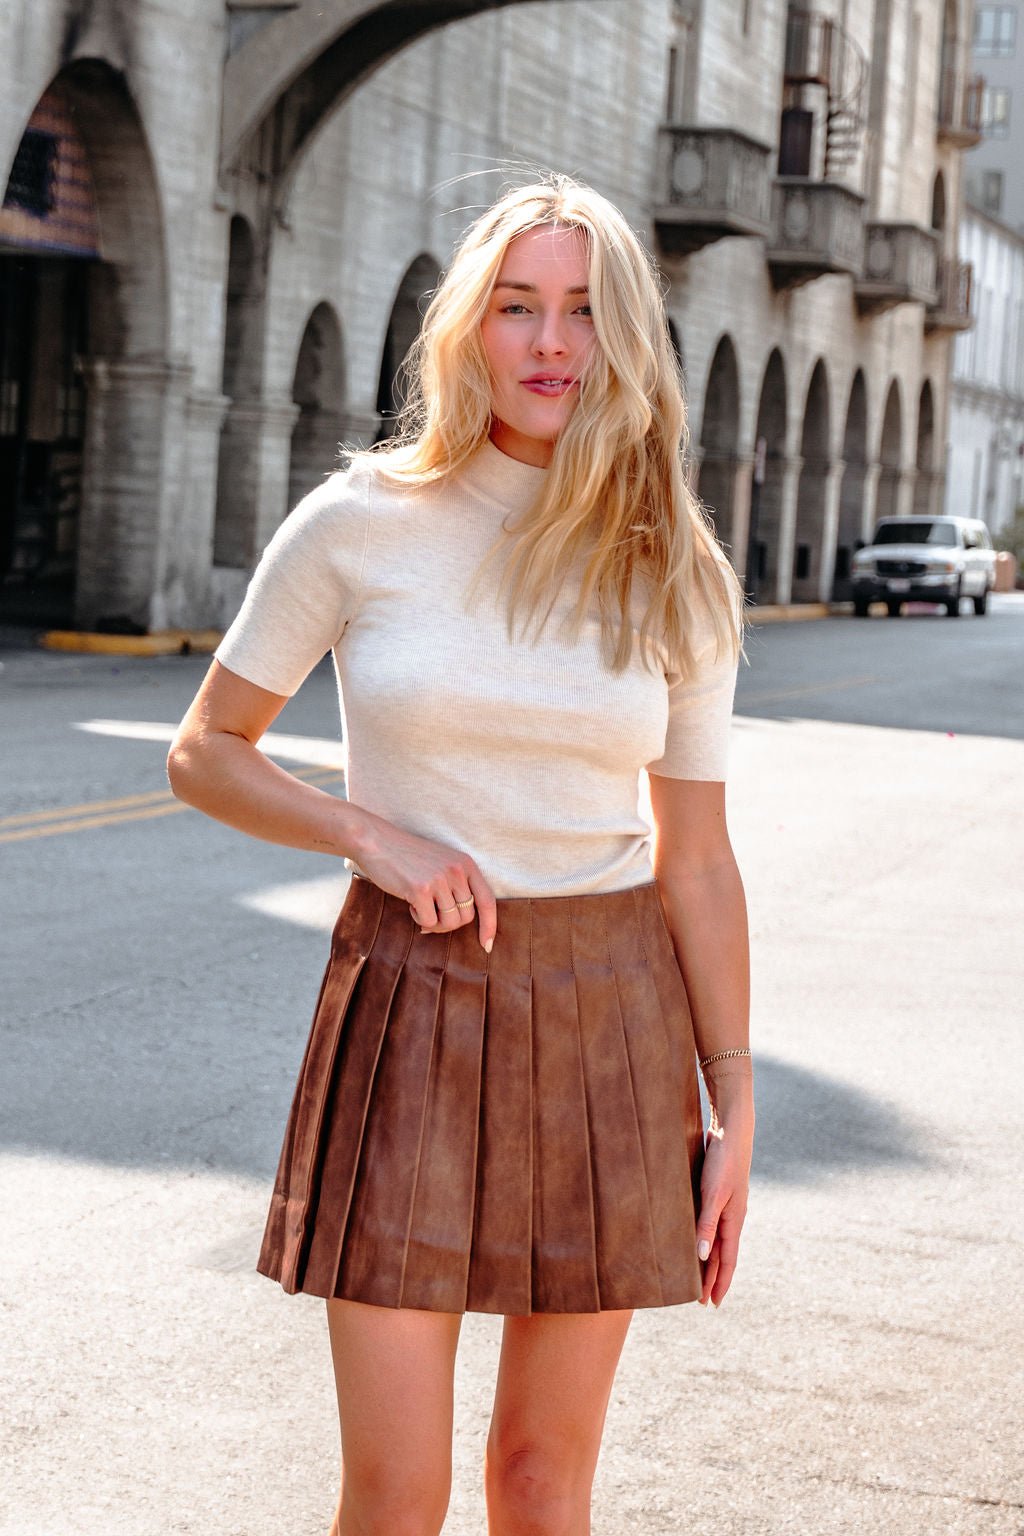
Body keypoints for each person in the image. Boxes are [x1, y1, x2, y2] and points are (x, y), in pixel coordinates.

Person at [168, 174, 754, 1536]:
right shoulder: (358, 523)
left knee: (544, 1489)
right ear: (468, 330)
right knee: (394, 1493)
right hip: (410, 1010)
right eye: (518, 308)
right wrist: (364, 832)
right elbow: (205, 750)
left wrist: (730, 1110)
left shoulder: (673, 565)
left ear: (626, 341)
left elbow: (701, 866)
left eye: (586, 313)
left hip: (614, 1026)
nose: (553, 344)